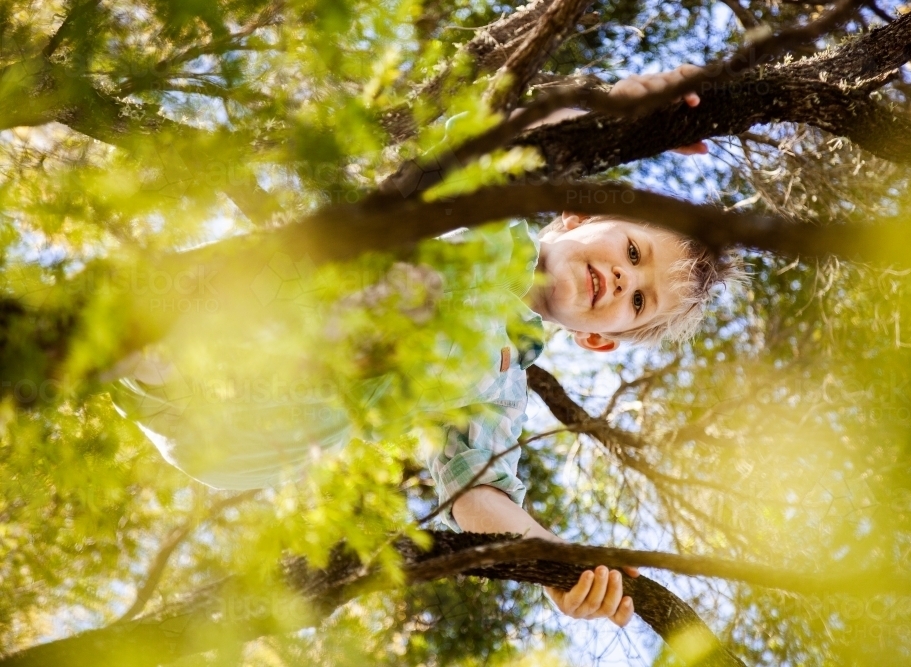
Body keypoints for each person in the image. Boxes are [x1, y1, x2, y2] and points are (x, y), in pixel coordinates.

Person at [111, 66, 738, 629]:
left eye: (638, 302)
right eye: (633, 253)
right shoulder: (493, 213)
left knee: (465, 358)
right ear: (576, 215)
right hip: (230, 315)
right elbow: (511, 139)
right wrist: (613, 106)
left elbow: (480, 495)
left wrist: (557, 565)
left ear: (597, 340)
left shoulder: (499, 389)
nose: (627, 279)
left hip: (247, 430)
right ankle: (124, 341)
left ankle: (142, 353)